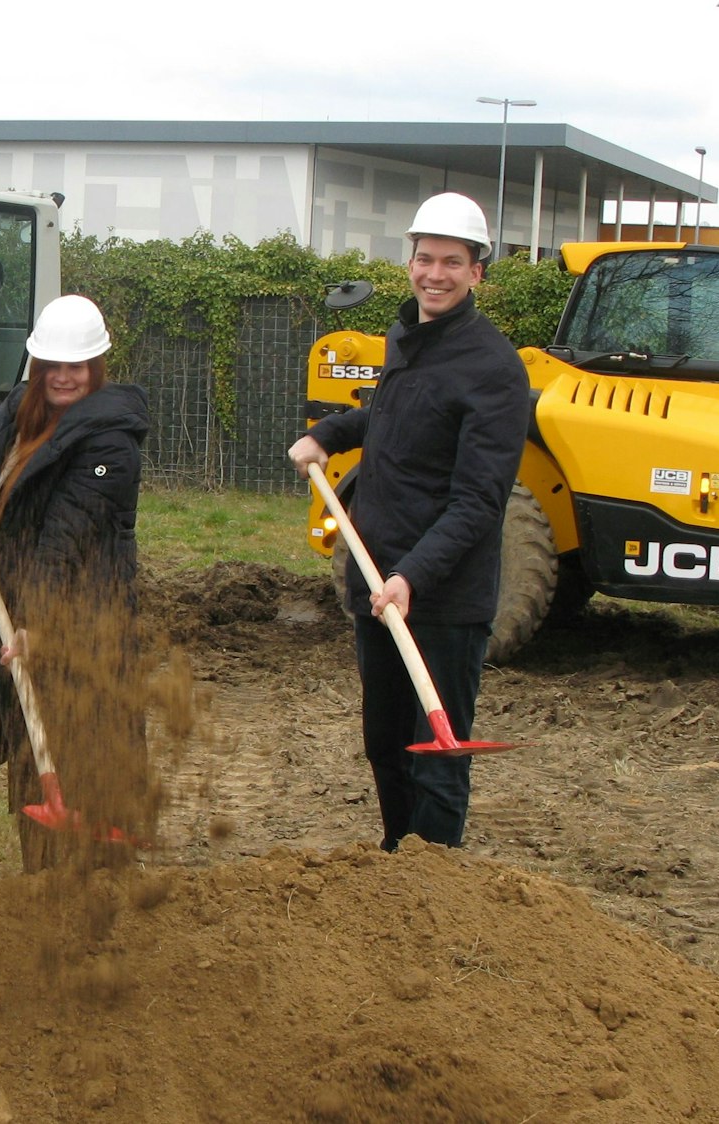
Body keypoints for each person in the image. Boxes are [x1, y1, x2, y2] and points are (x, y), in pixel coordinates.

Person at [287, 191, 529, 852]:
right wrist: (330, 433)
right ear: (410, 263)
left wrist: (413, 577)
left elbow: (478, 501)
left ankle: (435, 886)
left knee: (437, 761)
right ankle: (398, 867)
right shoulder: (406, 339)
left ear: (477, 271)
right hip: (378, 580)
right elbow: (393, 416)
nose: (435, 274)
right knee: (385, 744)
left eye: (452, 262)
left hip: (442, 599)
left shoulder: (494, 370)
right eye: (425, 259)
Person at [0, 294, 150, 872]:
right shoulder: (23, 409)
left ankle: (102, 885)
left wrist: (38, 621)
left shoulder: (110, 443)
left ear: (96, 365)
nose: (62, 376)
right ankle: (42, 882)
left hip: (81, 623)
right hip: (21, 611)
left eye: (76, 365)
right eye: (52, 364)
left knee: (87, 747)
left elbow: (64, 541)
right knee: (34, 745)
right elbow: (5, 451)